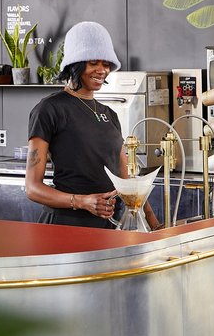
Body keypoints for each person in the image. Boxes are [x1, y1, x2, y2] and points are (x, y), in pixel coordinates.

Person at [25, 21, 160, 230]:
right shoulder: (50, 109)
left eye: (106, 64)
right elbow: (32, 188)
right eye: (93, 63)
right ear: (75, 64)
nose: (102, 70)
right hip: (65, 226)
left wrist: (155, 225)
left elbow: (127, 183)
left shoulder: (110, 115)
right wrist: (81, 201)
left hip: (107, 227)